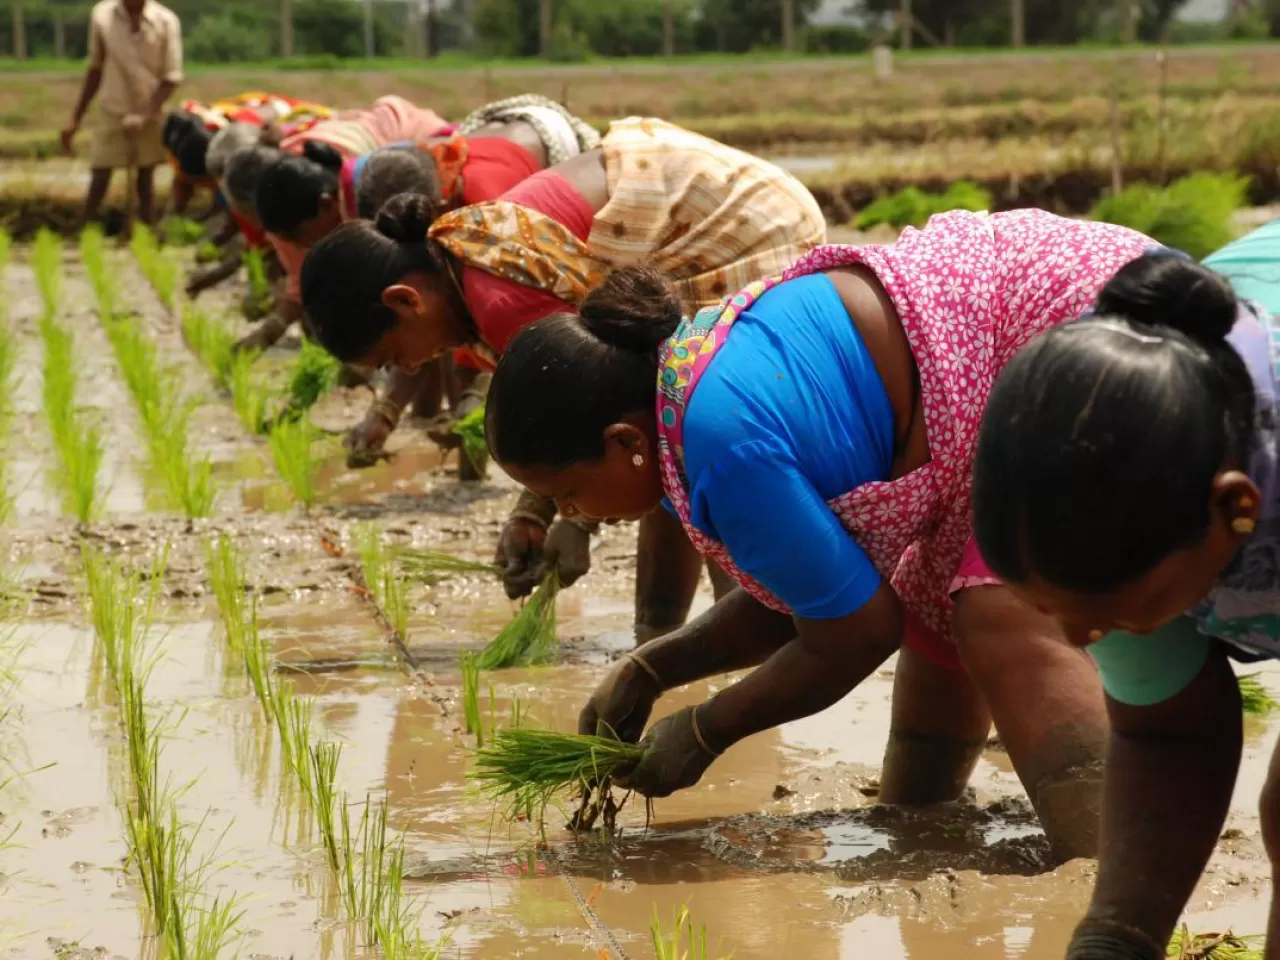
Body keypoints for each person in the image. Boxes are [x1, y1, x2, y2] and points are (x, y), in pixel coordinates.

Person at [481, 209, 1157, 863]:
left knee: (997, 607)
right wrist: (653, 667)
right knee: (933, 618)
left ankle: (1103, 879)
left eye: (568, 493)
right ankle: (921, 832)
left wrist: (706, 728)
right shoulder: (687, 379)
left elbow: (853, 637)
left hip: (1089, 331)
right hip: (1005, 358)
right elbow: (812, 599)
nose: (577, 511)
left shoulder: (722, 443)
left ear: (623, 440)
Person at [301, 117, 826, 640]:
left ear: (404, 299)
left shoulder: (500, 300)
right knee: (666, 452)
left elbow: (613, 406)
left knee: (686, 444)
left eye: (395, 357)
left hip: (736, 228)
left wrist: (575, 524)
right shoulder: (458, 260)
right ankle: (665, 638)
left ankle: (733, 642)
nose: (413, 371)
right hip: (695, 203)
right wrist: (533, 514)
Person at [971, 246, 1280, 958]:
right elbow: (1168, 730)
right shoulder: (1101, 480)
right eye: (1056, 611)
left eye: (1108, 612)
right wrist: (1115, 938)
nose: (1079, 641)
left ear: (1232, 508)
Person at [329, 96, 602, 470]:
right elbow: (420, 321)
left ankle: (471, 458)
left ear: (437, 206)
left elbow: (492, 333)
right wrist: (386, 412)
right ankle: (469, 448)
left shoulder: (490, 221)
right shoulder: (433, 235)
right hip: (496, 138)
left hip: (550, 141)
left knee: (464, 335)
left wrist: (475, 406)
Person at [221, 95, 452, 355]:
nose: (304, 246)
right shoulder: (283, 195)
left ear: (327, 204)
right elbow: (302, 275)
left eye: (302, 237)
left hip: (426, 149)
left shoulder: (373, 192)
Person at [61, 0, 183, 228]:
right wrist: (75, 118)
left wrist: (144, 116)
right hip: (112, 106)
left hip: (151, 107)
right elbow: (95, 68)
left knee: (145, 177)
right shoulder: (102, 15)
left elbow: (171, 77)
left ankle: (147, 232)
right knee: (101, 172)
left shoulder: (166, 21)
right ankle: (84, 230)